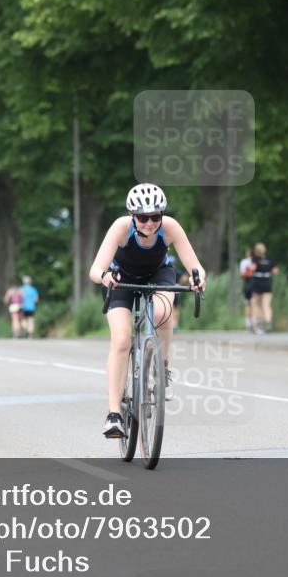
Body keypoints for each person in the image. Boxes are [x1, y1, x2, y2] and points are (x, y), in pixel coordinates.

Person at [90, 183, 206, 438]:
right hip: (121, 278)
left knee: (162, 311)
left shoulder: (171, 227)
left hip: (158, 274)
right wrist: (106, 277)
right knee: (121, 340)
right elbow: (95, 270)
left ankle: (162, 367)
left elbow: (195, 266)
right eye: (143, 218)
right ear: (133, 216)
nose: (149, 223)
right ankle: (113, 414)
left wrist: (197, 279)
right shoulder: (121, 227)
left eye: (155, 217)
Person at [249, 243, 278, 334]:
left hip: (257, 282)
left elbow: (252, 268)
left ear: (256, 250)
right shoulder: (269, 259)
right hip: (267, 282)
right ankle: (268, 323)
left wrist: (250, 269)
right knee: (267, 304)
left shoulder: (255, 259)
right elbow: (275, 271)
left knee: (257, 305)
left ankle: (258, 324)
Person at [239, 247, 255, 332]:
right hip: (255, 284)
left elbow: (242, 274)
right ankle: (254, 324)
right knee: (254, 305)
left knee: (247, 304)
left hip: (247, 284)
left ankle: (248, 325)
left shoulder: (244, 262)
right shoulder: (256, 262)